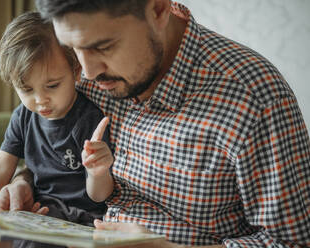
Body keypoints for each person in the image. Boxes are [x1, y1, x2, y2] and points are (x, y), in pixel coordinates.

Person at [23, 0, 310, 247]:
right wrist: (21, 181)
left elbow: (291, 241)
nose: (86, 72)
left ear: (159, 9)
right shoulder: (86, 79)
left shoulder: (254, 98)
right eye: (73, 49)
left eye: (104, 47)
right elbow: (44, 141)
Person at [0, 11, 114, 248]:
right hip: (34, 214)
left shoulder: (89, 118)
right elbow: (0, 167)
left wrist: (98, 172)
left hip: (79, 222)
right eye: (26, 89)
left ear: (76, 70)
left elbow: (99, 196)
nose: (41, 100)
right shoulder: (23, 115)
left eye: (52, 85)